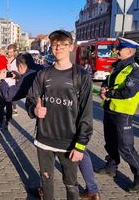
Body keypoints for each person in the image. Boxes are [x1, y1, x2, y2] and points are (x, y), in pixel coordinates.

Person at [25, 30, 93, 200]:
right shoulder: (43, 74)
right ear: (51, 48)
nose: (58, 48)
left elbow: (86, 113)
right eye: (55, 45)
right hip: (44, 140)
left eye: (63, 45)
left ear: (71, 47)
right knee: (46, 181)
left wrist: (80, 146)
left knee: (71, 184)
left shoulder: (81, 76)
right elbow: (31, 99)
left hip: (69, 142)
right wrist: (34, 110)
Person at [95, 37, 139, 193]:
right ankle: (111, 167)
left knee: (126, 148)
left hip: (123, 113)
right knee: (110, 142)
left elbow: (128, 91)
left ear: (130, 51)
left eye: (120, 48)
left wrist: (109, 92)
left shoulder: (135, 70)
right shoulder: (117, 67)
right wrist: (105, 88)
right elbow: (108, 81)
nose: (117, 50)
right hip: (110, 109)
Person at [6, 44, 19, 117]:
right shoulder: (5, 59)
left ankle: (14, 109)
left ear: (14, 52)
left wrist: (11, 70)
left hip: (13, 82)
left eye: (11, 52)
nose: (9, 54)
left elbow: (18, 73)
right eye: (8, 52)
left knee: (12, 97)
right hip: (5, 80)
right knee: (6, 97)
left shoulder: (17, 61)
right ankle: (9, 111)